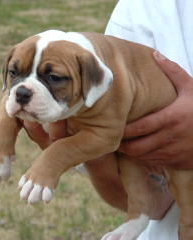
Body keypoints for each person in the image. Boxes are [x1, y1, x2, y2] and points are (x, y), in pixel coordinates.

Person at [23, 0, 193, 239]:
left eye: (54, 77)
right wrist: (85, 148)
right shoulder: (145, 8)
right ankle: (137, 219)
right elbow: (156, 201)